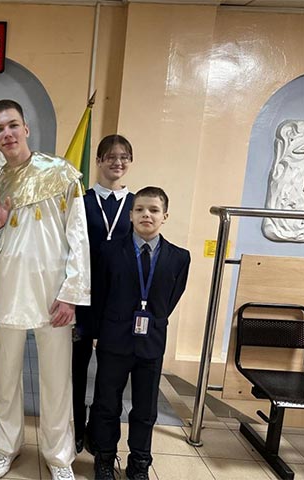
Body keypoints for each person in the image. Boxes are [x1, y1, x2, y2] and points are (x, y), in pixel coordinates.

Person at [0, 99, 90, 480]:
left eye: (12, 125)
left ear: (25, 128)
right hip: (11, 290)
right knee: (5, 375)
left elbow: (78, 235)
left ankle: (59, 456)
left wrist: (72, 292)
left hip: (54, 292)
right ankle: (5, 446)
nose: (7, 134)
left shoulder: (60, 172)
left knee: (56, 379)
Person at [88, 186, 190, 480]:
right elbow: (100, 294)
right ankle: (105, 458)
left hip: (151, 343)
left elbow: (170, 299)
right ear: (131, 215)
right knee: (107, 404)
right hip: (114, 340)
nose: (147, 215)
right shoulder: (109, 251)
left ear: (165, 216)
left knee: (146, 409)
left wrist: (152, 320)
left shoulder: (179, 258)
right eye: (140, 209)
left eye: (154, 210)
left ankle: (140, 462)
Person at [73, 134, 135, 453]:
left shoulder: (136, 204)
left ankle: (99, 431)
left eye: (123, 157)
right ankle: (75, 427)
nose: (117, 162)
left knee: (109, 373)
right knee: (76, 367)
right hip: (83, 296)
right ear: (98, 161)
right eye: (110, 156)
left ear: (130, 162)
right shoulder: (81, 201)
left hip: (117, 301)